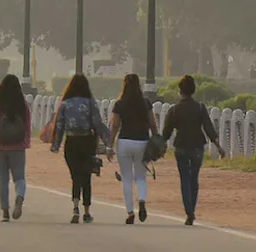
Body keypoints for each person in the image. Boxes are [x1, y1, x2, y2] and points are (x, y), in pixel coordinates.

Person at [161, 74, 226, 225]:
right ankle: (192, 210)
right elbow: (209, 129)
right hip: (197, 147)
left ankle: (189, 211)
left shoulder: (174, 110)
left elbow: (166, 133)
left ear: (180, 91)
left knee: (184, 178)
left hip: (181, 147)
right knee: (194, 179)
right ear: (193, 90)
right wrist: (219, 147)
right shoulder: (200, 108)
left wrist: (161, 147)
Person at [51, 74, 112, 224]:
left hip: (71, 142)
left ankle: (75, 207)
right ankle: (86, 211)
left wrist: (56, 145)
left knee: (75, 176)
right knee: (86, 177)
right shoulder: (90, 103)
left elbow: (59, 126)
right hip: (87, 142)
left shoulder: (65, 104)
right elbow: (98, 123)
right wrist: (108, 142)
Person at [0, 74, 31, 222]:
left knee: (3, 180)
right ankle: (20, 196)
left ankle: (5, 212)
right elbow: (27, 127)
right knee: (19, 177)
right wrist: (25, 143)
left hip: (0, 146)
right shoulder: (23, 105)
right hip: (18, 147)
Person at [109, 73, 157, 224]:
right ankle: (141, 200)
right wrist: (156, 138)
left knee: (127, 178)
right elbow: (152, 123)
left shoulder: (120, 104)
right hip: (142, 142)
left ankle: (130, 212)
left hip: (124, 142)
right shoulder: (145, 103)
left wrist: (109, 145)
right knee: (141, 177)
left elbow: (115, 125)